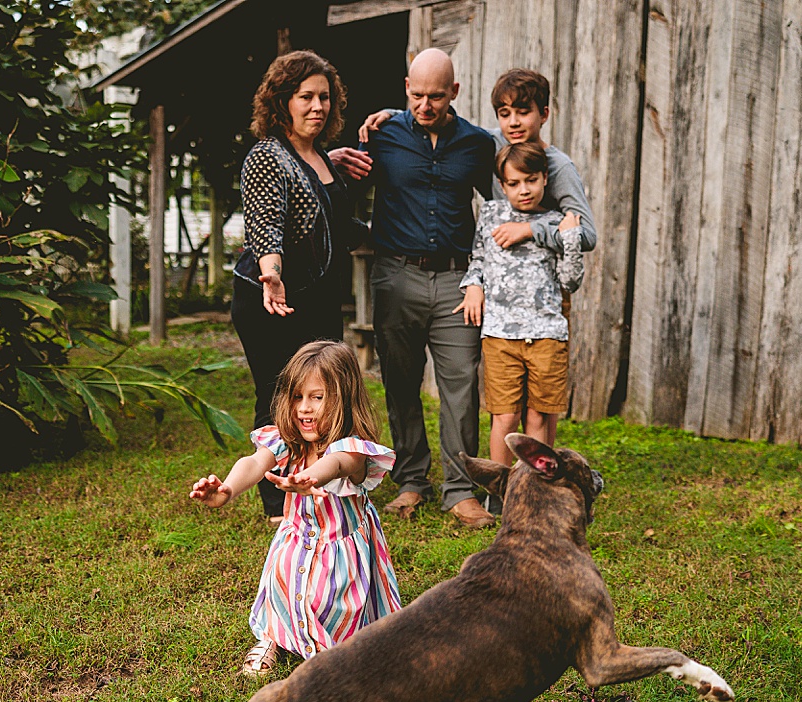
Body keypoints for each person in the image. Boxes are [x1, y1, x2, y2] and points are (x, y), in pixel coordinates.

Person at [329, 48, 497, 530]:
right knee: (400, 381)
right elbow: (344, 193)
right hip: (395, 274)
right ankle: (410, 480)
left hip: (456, 280)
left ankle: (462, 489)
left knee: (461, 385)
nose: (425, 105)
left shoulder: (478, 144)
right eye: (417, 95)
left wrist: (482, 277)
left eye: (436, 96)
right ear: (406, 88)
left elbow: (500, 210)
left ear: (455, 93)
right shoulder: (382, 135)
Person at [190, 341, 402, 677]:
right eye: (297, 397)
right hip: (295, 539)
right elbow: (254, 462)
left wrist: (309, 476)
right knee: (280, 584)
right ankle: (272, 636)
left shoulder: (354, 449)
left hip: (341, 550)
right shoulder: (287, 441)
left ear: (343, 399)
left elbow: (337, 463)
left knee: (336, 603)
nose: (304, 408)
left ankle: (334, 644)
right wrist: (228, 489)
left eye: (317, 398)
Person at [232, 50, 358, 522]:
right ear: (282, 101)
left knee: (322, 390)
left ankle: (315, 479)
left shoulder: (320, 156)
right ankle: (275, 504)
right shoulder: (267, 156)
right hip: (273, 297)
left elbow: (331, 223)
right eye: (306, 96)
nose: (317, 106)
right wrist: (272, 273)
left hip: (317, 296)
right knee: (280, 393)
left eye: (324, 97)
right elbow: (266, 221)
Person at [354, 68, 597, 257]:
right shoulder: (489, 143)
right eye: (505, 114)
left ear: (543, 114)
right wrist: (392, 116)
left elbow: (586, 235)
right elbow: (442, 124)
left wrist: (530, 230)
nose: (513, 122)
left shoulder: (558, 167)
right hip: (498, 277)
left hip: (541, 282)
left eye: (523, 112)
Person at [457, 142, 585, 463]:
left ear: (545, 178)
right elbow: (479, 258)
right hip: (500, 335)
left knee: (538, 418)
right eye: (513, 184)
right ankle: (500, 490)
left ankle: (534, 490)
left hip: (546, 335)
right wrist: (473, 285)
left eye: (531, 180)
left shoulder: (558, 222)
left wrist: (570, 240)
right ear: (502, 186)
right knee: (504, 417)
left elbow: (571, 281)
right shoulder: (491, 213)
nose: (523, 190)